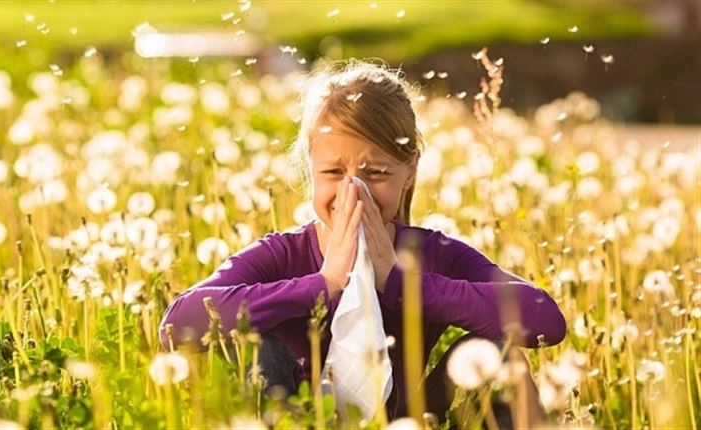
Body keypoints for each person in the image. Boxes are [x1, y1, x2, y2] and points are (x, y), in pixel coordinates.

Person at [159, 60, 566, 425]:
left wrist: (403, 282)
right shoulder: (284, 253)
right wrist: (323, 284)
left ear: (409, 173)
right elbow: (177, 324)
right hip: (293, 418)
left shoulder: (431, 254)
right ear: (311, 171)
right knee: (255, 349)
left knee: (500, 355)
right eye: (334, 172)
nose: (353, 191)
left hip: (410, 421)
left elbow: (545, 319)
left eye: (375, 173)